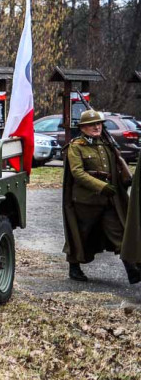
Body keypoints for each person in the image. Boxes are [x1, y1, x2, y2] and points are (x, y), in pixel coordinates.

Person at [62, 109, 141, 282]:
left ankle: (133, 270)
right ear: (83, 128)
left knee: (121, 233)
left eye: (98, 124)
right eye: (91, 124)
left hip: (108, 200)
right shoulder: (76, 146)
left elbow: (115, 166)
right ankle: (74, 268)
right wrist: (102, 186)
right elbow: (78, 173)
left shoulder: (106, 144)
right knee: (81, 234)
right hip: (85, 202)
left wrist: (124, 179)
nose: (96, 127)